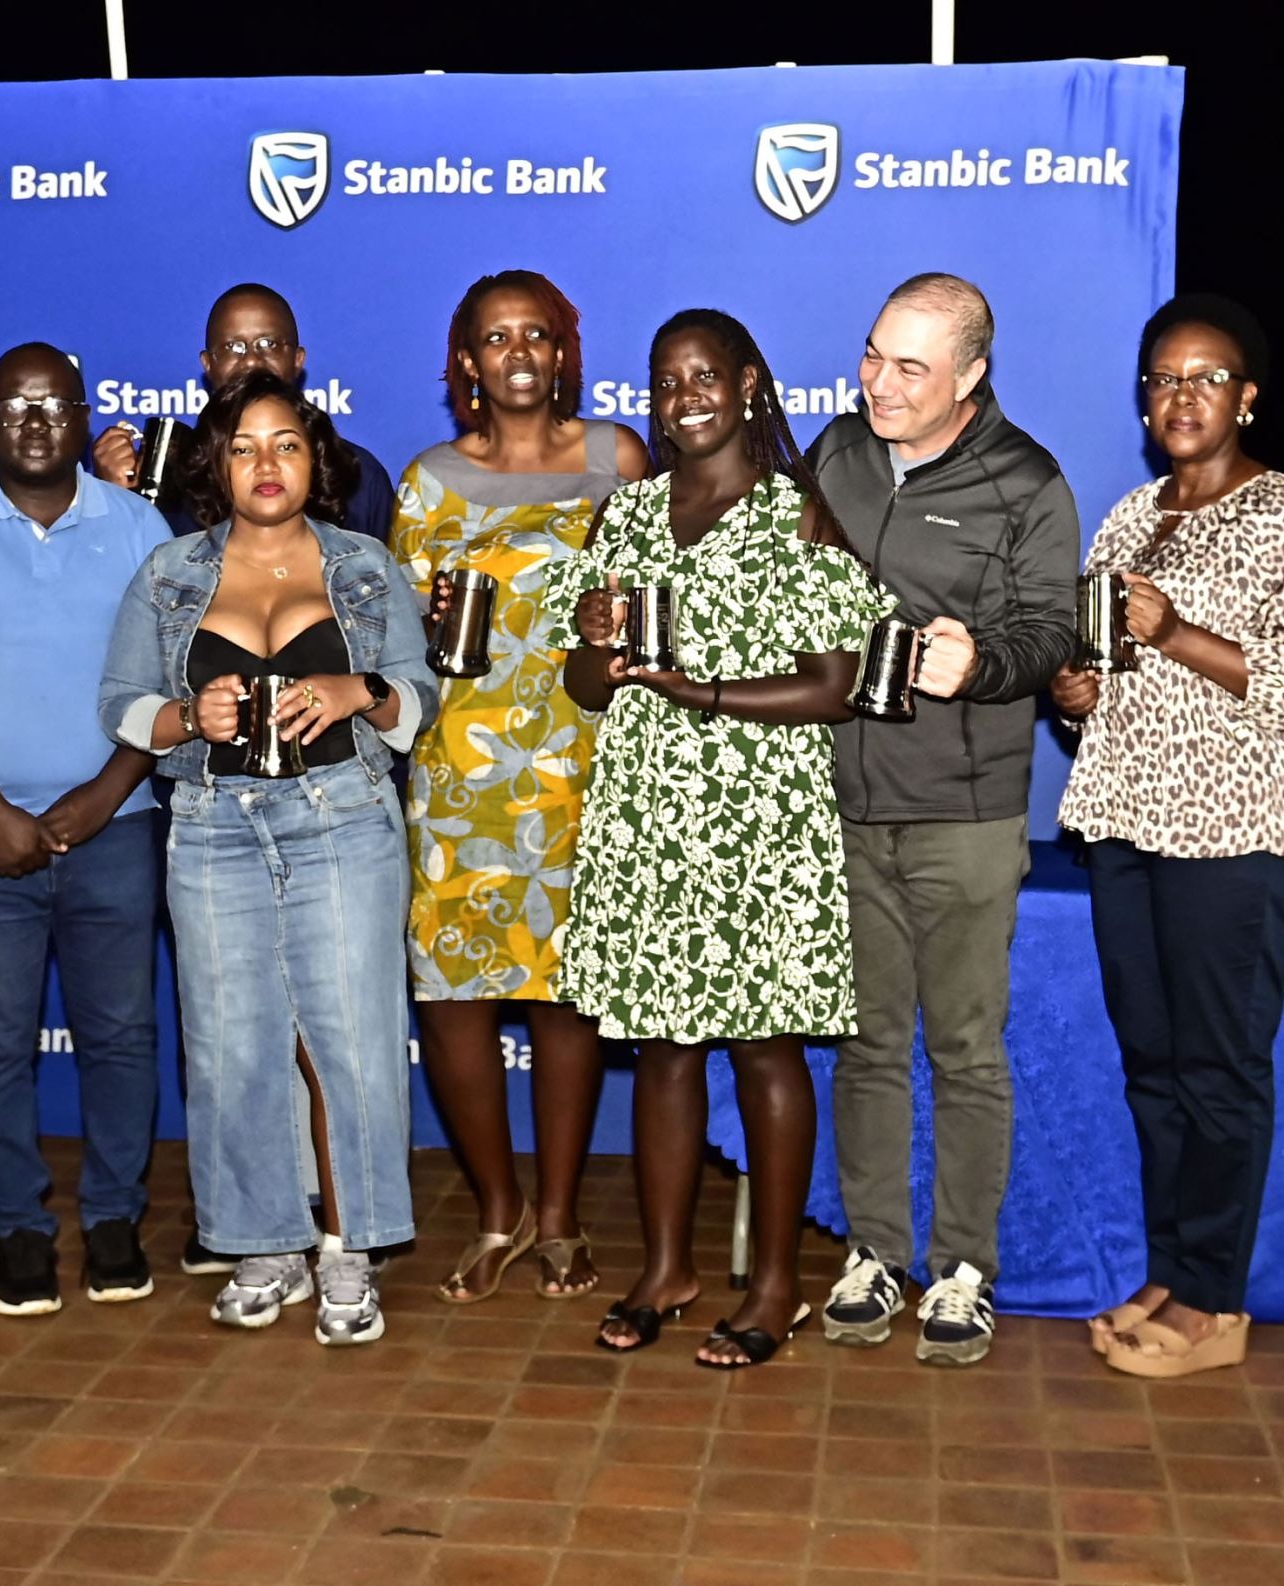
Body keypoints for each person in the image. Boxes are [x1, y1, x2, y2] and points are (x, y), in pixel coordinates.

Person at [552, 308, 890, 1369]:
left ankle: (778, 1281)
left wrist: (694, 687)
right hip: (650, 812)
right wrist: (601, 645)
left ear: (747, 384)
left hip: (758, 819)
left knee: (764, 1044)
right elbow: (582, 686)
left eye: (703, 375)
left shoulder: (799, 515)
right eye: (664, 380)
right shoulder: (629, 513)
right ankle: (666, 1266)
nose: (684, 395)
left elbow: (835, 689)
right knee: (664, 1046)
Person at [96, 370, 435, 1346]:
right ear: (217, 463)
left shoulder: (365, 563)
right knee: (232, 1043)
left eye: (284, 442)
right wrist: (180, 716)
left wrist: (356, 686)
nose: (265, 464)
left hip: (341, 818)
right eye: (243, 446)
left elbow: (417, 708)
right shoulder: (168, 573)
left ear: (312, 456)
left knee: (353, 1044)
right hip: (210, 826)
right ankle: (263, 1244)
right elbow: (118, 706)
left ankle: (348, 1248)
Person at [1049, 295, 1284, 1379]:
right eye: (1163, 378)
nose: (1182, 396)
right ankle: (1175, 1268)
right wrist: (1075, 689)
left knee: (1219, 1070)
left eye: (1206, 377)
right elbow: (1103, 680)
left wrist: (1173, 628)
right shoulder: (1128, 516)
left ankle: (1216, 1304)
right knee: (1156, 1067)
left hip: (1239, 833)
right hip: (1126, 820)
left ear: (1247, 395)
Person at [807, 273, 1079, 1366]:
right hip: (839, 799)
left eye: (909, 367)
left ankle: (963, 1268)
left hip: (964, 811)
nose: (878, 381)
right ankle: (873, 1247)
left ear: (969, 376)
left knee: (963, 1048)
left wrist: (987, 662)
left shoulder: (1026, 480)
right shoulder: (833, 451)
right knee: (867, 1044)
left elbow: (1051, 632)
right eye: (873, 353)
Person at [0, 343, 173, 1318]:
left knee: (123, 1037)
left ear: (83, 413)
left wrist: (107, 790)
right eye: (15, 404)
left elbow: (168, 683)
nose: (36, 421)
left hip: (117, 822)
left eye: (54, 404)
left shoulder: (138, 523)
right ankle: (16, 1225)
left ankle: (112, 1217)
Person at [396, 269, 650, 1306]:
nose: (516, 352)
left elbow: (652, 601)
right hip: (458, 778)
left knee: (562, 999)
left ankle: (559, 1216)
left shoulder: (614, 459)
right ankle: (496, 1210)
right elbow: (395, 644)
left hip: (577, 768)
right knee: (454, 997)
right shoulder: (425, 481)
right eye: (494, 337)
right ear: (466, 360)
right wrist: (428, 616)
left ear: (562, 352)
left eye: (535, 335)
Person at [94, 282, 395, 541]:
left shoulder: (355, 473)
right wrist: (116, 502)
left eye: (268, 344)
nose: (252, 361)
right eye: (233, 347)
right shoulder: (168, 474)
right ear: (207, 365)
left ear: (298, 359)